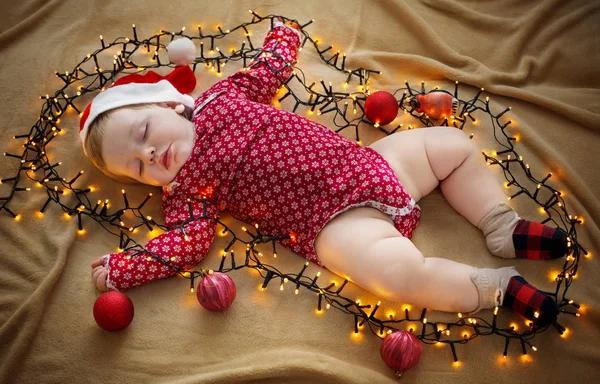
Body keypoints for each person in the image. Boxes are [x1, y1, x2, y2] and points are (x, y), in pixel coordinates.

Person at [86, 17, 568, 328]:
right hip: (331, 223)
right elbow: (187, 243)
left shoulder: (221, 97)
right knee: (396, 274)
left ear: (170, 104)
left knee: (451, 144)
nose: (150, 153)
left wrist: (283, 36)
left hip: (370, 163)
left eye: (145, 131)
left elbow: (265, 72)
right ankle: (496, 287)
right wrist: (124, 268)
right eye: (136, 167)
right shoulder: (185, 194)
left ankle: (499, 224)